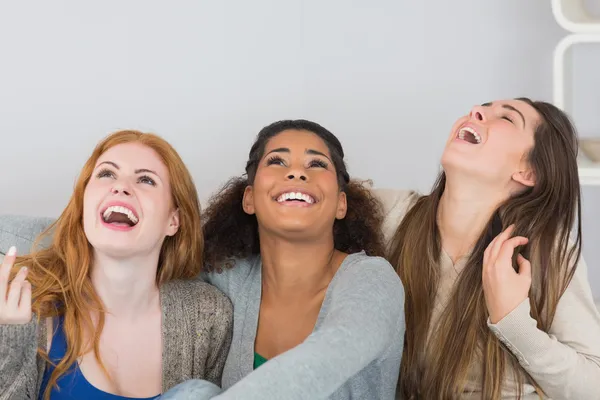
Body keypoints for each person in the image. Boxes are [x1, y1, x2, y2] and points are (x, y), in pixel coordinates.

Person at [160, 119, 405, 400]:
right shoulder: (226, 275)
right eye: (277, 161)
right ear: (249, 199)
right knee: (194, 393)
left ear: (341, 204)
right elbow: (151, 280)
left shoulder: (371, 279)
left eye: (317, 164)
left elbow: (327, 359)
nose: (298, 172)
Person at [384, 98, 600, 399]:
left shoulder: (545, 253)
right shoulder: (391, 213)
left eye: (507, 118)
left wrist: (512, 320)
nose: (476, 111)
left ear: (527, 172)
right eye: (482, 107)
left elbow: (593, 387)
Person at [0, 130, 233, 400]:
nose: (120, 186)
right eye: (107, 174)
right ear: (84, 202)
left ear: (173, 220)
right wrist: (10, 338)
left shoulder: (208, 314)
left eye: (146, 179)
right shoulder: (24, 298)